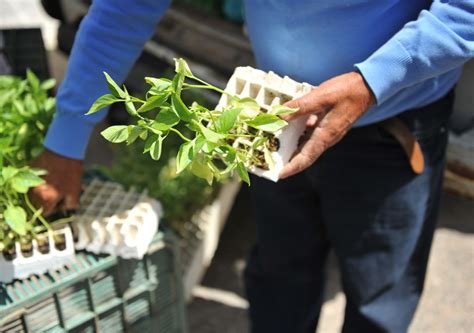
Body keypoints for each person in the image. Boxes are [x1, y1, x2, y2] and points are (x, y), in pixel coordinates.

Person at [31, 1, 474, 332]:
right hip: (271, 119)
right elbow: (124, 10)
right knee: (280, 271)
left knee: (381, 293)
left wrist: (371, 83)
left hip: (389, 126)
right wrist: (66, 138)